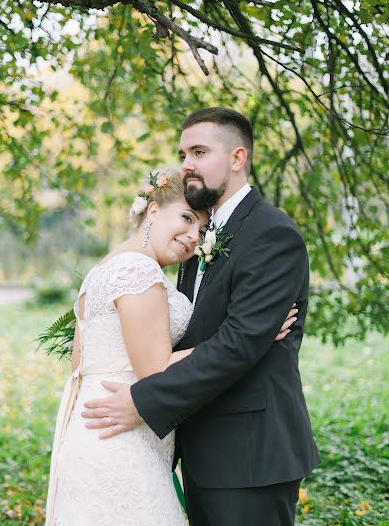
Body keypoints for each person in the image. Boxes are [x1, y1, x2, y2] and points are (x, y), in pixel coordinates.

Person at [82, 108, 320, 526]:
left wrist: (143, 400)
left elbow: (238, 344)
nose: (186, 164)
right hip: (200, 449)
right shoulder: (199, 241)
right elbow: (197, 332)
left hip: (249, 456)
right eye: (183, 153)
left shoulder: (271, 234)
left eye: (199, 151)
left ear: (237, 158)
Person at [44, 165, 295, 525]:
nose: (193, 236)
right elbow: (155, 370)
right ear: (154, 209)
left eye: (201, 229)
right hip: (121, 437)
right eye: (186, 218)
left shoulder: (105, 267)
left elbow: (79, 364)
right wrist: (253, 333)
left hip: (93, 429)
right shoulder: (138, 271)